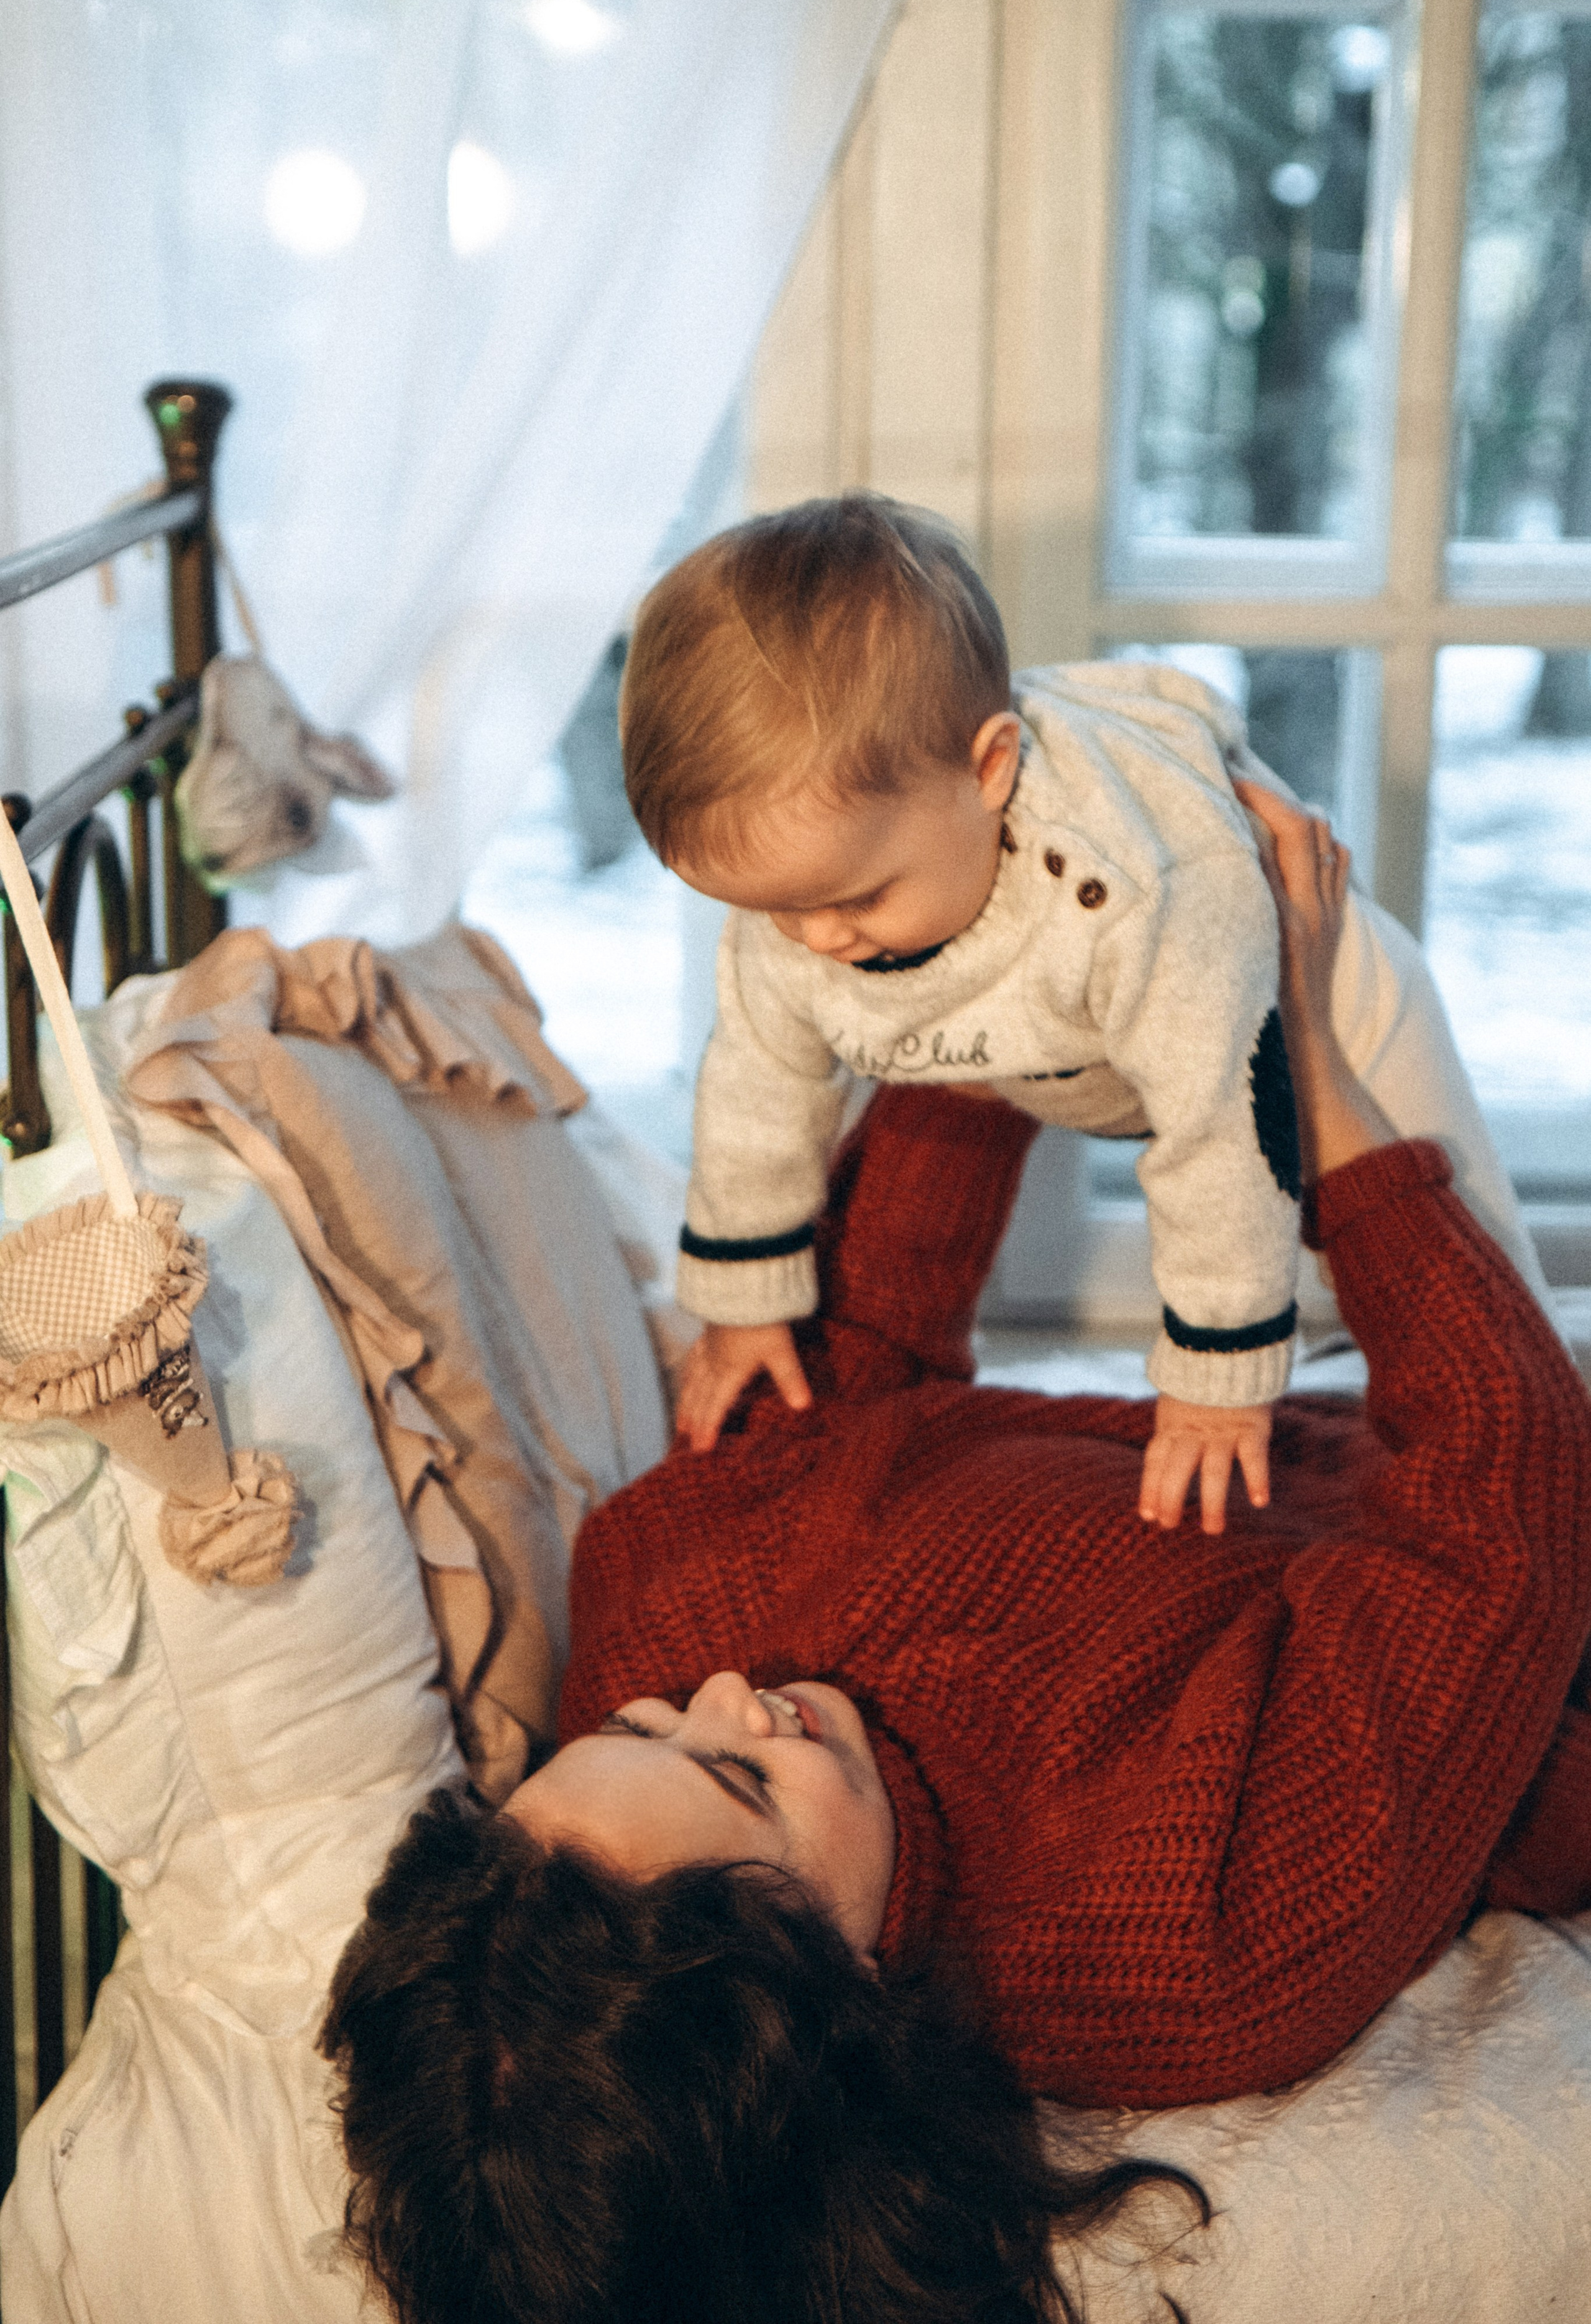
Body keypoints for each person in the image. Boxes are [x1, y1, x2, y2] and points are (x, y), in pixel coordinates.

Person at [321, 786, 1591, 2324]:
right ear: (829, 2015)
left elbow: (862, 1336)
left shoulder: (665, 1618)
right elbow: (1501, 1513)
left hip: (1347, 1450)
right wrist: (1307, 1076)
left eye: (633, 1728)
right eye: (739, 1778)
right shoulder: (1190, 1934)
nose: (726, 1692)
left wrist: (983, 953)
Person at [619, 491, 1548, 1533]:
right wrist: (747, 1301)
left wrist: (1215, 1374)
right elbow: (758, 1084)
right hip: (1076, 1046)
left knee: (1471, 1304)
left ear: (991, 769)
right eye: (774, 909)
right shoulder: (808, 899)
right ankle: (1338, 1396)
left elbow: (1217, 1132)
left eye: (858, 900)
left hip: (1305, 1015)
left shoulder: (1137, 890)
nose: (819, 940)